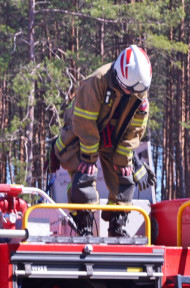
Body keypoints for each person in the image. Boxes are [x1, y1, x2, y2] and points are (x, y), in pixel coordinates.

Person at [50, 44, 152, 236]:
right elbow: (84, 123)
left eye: (134, 91)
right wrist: (89, 158)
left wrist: (125, 159)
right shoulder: (96, 82)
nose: (130, 94)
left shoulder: (139, 88)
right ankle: (84, 223)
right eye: (127, 89)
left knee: (124, 176)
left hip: (113, 136)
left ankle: (117, 224)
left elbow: (136, 128)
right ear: (118, 77)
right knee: (84, 175)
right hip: (80, 134)